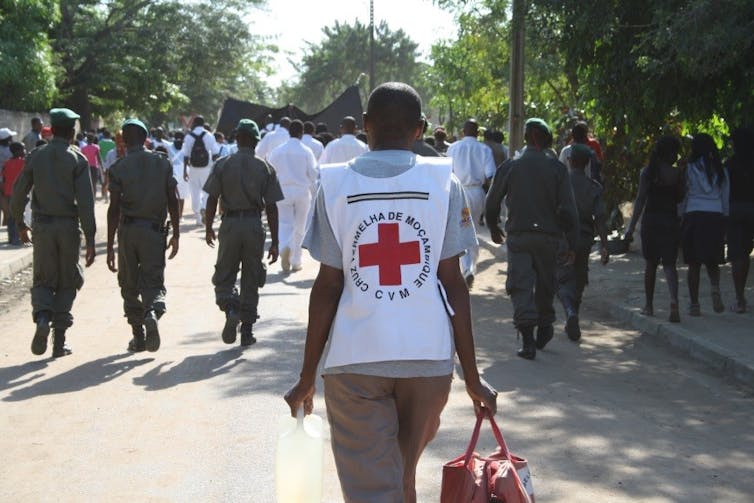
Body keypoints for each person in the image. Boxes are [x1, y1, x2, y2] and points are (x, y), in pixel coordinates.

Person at [284, 82, 497, 503]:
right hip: (428, 361)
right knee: (399, 478)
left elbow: (328, 287)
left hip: (354, 361)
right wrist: (472, 377)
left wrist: (307, 375)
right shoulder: (444, 183)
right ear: (420, 129)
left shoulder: (336, 185)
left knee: (375, 489)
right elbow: (453, 284)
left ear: (366, 126)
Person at [485, 118, 578, 360]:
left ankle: (527, 341)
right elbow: (569, 210)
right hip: (549, 238)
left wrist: (494, 225)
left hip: (520, 237)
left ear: (529, 136)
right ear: (542, 137)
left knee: (520, 285)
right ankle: (545, 326)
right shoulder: (557, 168)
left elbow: (492, 201)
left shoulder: (511, 165)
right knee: (546, 284)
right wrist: (572, 242)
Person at [10, 108, 96, 358]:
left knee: (43, 279)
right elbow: (86, 203)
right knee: (68, 280)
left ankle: (43, 317)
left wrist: (19, 222)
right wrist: (90, 238)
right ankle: (59, 342)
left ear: (52, 130)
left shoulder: (37, 156)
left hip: (42, 227)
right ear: (71, 133)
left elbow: (18, 192)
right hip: (68, 227)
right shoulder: (77, 159)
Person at [203, 119, 283, 346]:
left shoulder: (222, 164)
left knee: (224, 274)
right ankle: (247, 331)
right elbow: (272, 207)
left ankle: (230, 307)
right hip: (253, 225)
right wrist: (275, 241)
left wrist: (209, 227)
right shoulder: (265, 167)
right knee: (252, 276)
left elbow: (212, 199)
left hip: (229, 225)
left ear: (236, 139)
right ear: (257, 141)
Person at [106, 119, 180, 353]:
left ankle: (138, 337)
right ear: (146, 138)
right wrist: (176, 233)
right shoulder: (162, 162)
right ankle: (152, 313)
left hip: (128, 232)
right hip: (154, 231)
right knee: (153, 280)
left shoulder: (118, 167)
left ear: (124, 141)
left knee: (129, 283)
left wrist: (109, 246)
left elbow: (114, 208)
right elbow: (172, 200)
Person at [624, 136, 684, 321]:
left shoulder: (647, 173)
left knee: (650, 264)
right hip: (670, 221)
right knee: (669, 265)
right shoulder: (678, 174)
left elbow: (640, 200)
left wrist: (631, 228)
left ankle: (649, 306)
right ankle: (674, 300)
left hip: (651, 222)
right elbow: (681, 199)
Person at [556, 144, 610, 341]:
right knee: (579, 277)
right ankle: (574, 313)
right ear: (588, 163)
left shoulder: (561, 184)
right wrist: (605, 245)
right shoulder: (594, 187)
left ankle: (570, 311)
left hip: (562, 238)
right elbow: (600, 218)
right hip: (584, 239)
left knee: (562, 278)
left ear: (569, 161)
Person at [681, 133, 729, 316]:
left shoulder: (689, 169)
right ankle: (715, 288)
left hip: (694, 214)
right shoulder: (721, 170)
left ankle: (694, 304)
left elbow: (685, 195)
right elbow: (725, 196)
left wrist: (681, 215)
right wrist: (724, 218)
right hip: (715, 215)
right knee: (712, 260)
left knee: (693, 263)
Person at [446, 119, 496, 287]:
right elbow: (490, 175)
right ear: (478, 133)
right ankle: (470, 267)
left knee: (462, 228)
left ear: (462, 131)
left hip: (459, 192)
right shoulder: (484, 149)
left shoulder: (453, 148)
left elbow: (447, 173)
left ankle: (467, 268)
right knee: (472, 227)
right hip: (477, 193)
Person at [267, 119, 318, 273]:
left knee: (284, 224)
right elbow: (314, 174)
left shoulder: (277, 151)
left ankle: (285, 247)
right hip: (302, 192)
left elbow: (270, 170)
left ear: (289, 131)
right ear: (302, 133)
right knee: (300, 226)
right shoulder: (306, 151)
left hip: (282, 191)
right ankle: (296, 261)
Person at [726, 127, 754, 313]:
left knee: (739, 255)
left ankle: (740, 299)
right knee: (744, 254)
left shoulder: (729, 165)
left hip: (735, 210)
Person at [182, 115, 220, 226]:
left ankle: (198, 218)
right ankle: (204, 208)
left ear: (194, 123)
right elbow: (215, 153)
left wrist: (185, 170)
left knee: (195, 192)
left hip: (193, 168)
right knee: (207, 191)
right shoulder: (209, 135)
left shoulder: (189, 137)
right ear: (203, 124)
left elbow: (185, 155)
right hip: (207, 168)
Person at [2, 142, 26, 245]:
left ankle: (11, 238)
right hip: (20, 193)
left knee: (10, 217)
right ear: (18, 151)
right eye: (23, 149)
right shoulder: (23, 163)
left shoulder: (6, 163)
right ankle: (19, 238)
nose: (24, 151)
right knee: (20, 215)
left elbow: (4, 179)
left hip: (8, 193)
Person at [167, 131, 189, 219]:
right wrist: (185, 172)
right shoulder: (185, 147)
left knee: (172, 194)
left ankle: (173, 215)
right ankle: (180, 215)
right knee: (182, 195)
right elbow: (187, 160)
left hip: (172, 170)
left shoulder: (168, 146)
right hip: (183, 170)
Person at [80, 134, 103, 199]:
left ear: (87, 139)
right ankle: (94, 197)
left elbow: (82, 158)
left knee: (87, 182)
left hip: (86, 166)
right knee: (94, 183)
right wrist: (102, 166)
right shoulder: (96, 147)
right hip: (94, 167)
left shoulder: (83, 148)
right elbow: (99, 158)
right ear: (93, 139)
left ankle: (88, 197)